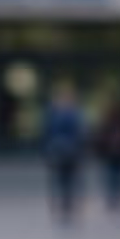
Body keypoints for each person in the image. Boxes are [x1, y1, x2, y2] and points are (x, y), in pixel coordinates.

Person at [43, 84, 86, 226]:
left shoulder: (73, 113)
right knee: (60, 179)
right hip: (59, 151)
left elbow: (79, 133)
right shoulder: (55, 113)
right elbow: (47, 132)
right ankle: (63, 203)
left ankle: (67, 203)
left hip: (69, 152)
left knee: (69, 179)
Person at [94, 101, 120, 216]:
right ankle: (116, 199)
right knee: (116, 178)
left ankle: (115, 199)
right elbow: (101, 140)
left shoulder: (114, 125)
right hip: (114, 156)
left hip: (118, 156)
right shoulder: (115, 125)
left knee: (115, 178)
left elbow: (101, 139)